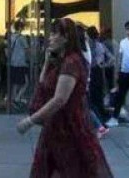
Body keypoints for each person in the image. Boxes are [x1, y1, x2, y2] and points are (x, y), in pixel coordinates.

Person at [17, 18, 113, 178]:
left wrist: (30, 121)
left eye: (55, 33)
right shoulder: (61, 61)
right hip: (55, 128)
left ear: (66, 37)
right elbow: (43, 84)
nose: (50, 37)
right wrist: (47, 62)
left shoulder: (72, 62)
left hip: (69, 128)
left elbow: (60, 99)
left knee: (71, 170)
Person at [8, 20, 29, 110]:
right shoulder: (21, 38)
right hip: (21, 62)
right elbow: (27, 49)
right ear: (20, 28)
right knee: (26, 82)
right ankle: (17, 98)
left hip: (13, 62)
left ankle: (13, 100)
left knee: (15, 84)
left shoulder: (11, 37)